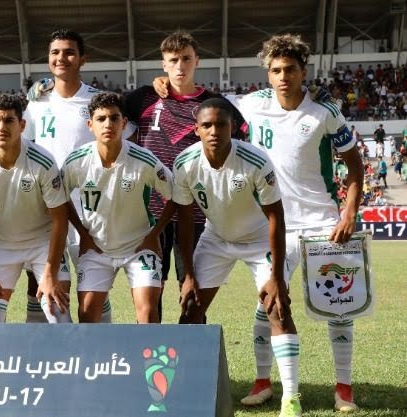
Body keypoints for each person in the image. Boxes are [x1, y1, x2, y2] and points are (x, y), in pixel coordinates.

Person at [227, 34, 363, 413]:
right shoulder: (250, 104)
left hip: (322, 222)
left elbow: (354, 166)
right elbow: (205, 106)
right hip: (273, 227)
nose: (283, 77)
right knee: (267, 303)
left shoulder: (325, 111)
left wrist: (349, 213)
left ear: (304, 71)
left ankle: (344, 388)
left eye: (290, 69)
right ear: (267, 74)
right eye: (276, 70)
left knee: (338, 305)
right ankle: (263, 382)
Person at [174, 98, 301, 417]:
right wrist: (188, 275)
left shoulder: (255, 160)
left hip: (259, 239)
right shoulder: (185, 163)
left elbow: (276, 217)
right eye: (206, 125)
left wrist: (277, 276)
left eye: (221, 124)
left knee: (277, 309)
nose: (214, 131)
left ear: (233, 127)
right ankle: (188, 390)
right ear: (196, 130)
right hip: (216, 238)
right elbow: (185, 221)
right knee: (190, 310)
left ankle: (291, 398)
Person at [125, 31, 247, 321]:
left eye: (186, 59)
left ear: (197, 61)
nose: (180, 66)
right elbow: (101, 112)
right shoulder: (143, 97)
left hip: (196, 213)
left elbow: (242, 137)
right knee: (150, 292)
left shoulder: (214, 103)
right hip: (149, 213)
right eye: (173, 60)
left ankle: (190, 348)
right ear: (163, 64)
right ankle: (151, 348)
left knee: (193, 293)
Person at [23, 29, 131, 323]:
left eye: (69, 52)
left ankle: (97, 346)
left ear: (83, 59)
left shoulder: (99, 102)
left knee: (93, 291)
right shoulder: (37, 102)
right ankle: (49, 346)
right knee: (45, 285)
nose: (62, 58)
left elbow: (124, 145)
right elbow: (26, 148)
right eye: (55, 52)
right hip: (47, 208)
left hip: (91, 209)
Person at [62, 92, 174, 323]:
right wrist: (83, 234)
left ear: (124, 123)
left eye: (114, 118)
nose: (108, 124)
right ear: (90, 125)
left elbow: (176, 196)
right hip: (97, 248)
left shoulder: (144, 160)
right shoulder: (76, 161)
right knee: (87, 314)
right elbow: (58, 199)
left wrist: (154, 234)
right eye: (101, 119)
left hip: (139, 247)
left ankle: (148, 349)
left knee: (148, 313)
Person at [0, 94, 71, 323]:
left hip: (43, 243)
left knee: (58, 315)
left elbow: (60, 219)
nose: (1, 127)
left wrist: (50, 272)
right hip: (1, 244)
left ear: (22, 125)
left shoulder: (42, 162)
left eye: (9, 120)